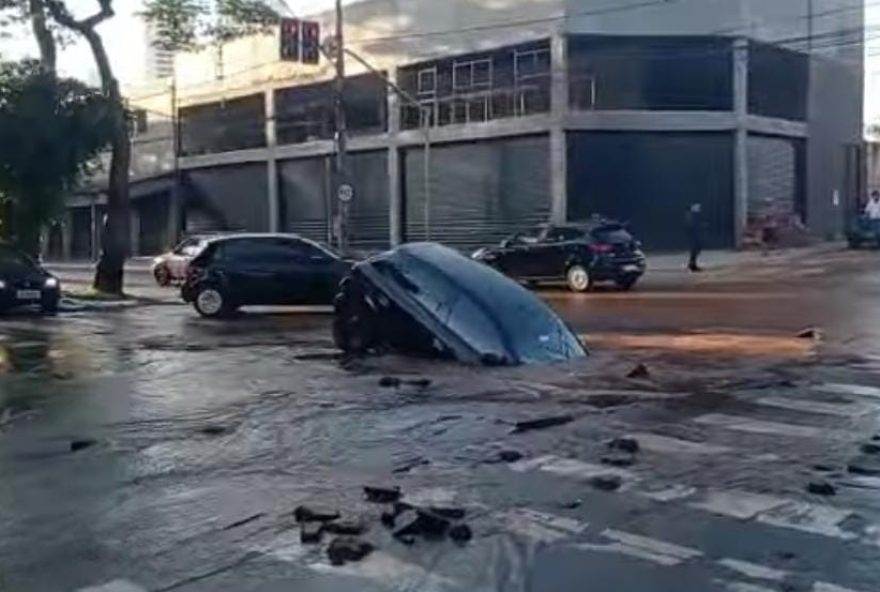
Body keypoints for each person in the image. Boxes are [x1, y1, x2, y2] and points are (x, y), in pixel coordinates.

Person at [685, 202, 705, 272]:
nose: (699, 209)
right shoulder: (691, 215)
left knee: (695, 250)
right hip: (693, 236)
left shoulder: (692, 215)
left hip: (694, 235)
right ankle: (692, 265)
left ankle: (692, 264)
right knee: (694, 250)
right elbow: (691, 226)